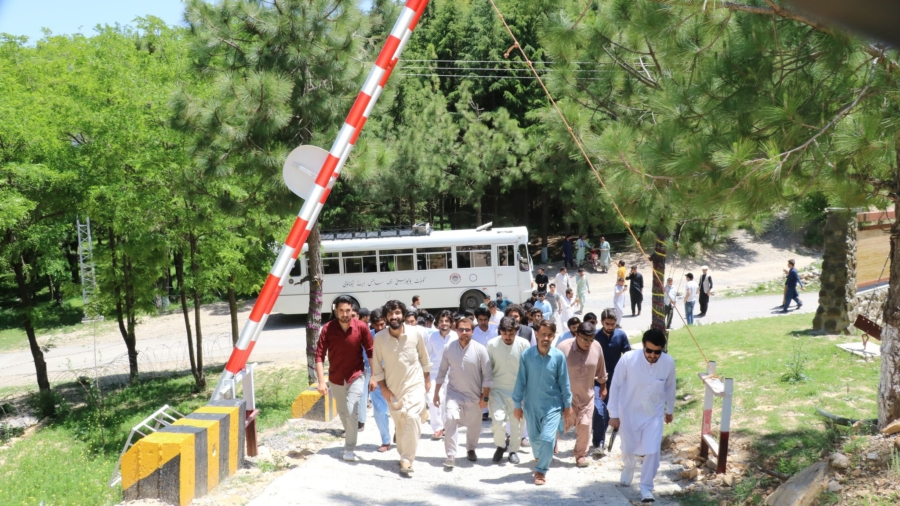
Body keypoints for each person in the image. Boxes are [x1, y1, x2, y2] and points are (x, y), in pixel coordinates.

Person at [608, 328, 676, 503]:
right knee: (628, 447)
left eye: (657, 352)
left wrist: (670, 411)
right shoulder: (628, 360)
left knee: (652, 450)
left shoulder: (668, 363)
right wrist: (613, 414)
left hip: (653, 414)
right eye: (649, 351)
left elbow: (670, 388)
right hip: (628, 411)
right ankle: (629, 466)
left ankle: (646, 487)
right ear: (643, 347)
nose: (653, 355)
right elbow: (615, 386)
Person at [371, 299, 432, 475]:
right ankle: (403, 447)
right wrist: (383, 388)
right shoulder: (380, 338)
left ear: (403, 315)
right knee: (401, 422)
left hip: (415, 385)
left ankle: (407, 459)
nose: (394, 316)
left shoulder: (415, 333)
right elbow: (377, 367)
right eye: (390, 314)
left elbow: (424, 359)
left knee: (412, 418)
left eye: (397, 313)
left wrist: (427, 380)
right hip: (393, 388)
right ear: (386, 317)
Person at [513, 320, 574, 485]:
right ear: (537, 334)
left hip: (552, 406)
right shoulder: (527, 355)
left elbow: (564, 382)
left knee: (547, 438)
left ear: (553, 337)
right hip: (531, 406)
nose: (546, 338)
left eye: (549, 335)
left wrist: (567, 406)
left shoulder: (558, 356)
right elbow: (520, 381)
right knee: (534, 439)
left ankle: (540, 471)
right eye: (543, 334)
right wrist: (517, 405)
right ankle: (540, 458)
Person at [314, 296, 373, 462]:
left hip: (357, 375)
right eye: (341, 310)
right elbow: (319, 355)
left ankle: (349, 448)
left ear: (352, 310)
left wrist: (375, 376)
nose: (345, 314)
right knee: (342, 411)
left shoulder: (361, 327)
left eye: (348, 310)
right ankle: (351, 434)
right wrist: (321, 381)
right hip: (336, 377)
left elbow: (371, 352)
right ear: (335, 311)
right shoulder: (327, 329)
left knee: (351, 409)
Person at [434, 316, 492, 468]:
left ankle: (471, 449)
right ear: (456, 330)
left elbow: (487, 376)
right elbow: (441, 371)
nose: (464, 332)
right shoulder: (449, 348)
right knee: (451, 419)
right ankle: (451, 454)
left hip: (474, 395)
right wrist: (436, 393)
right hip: (454, 393)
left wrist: (484, 397)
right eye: (461, 329)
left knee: (474, 426)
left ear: (473, 331)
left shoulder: (480, 350)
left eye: (468, 329)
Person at [557, 322, 607, 467]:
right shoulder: (562, 348)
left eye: (591, 339)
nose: (588, 343)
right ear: (576, 335)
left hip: (587, 396)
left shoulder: (596, 347)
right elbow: (552, 373)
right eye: (584, 339)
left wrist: (603, 386)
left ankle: (580, 455)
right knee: (559, 426)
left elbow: (601, 370)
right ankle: (550, 445)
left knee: (585, 426)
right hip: (566, 398)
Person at [486, 317, 530, 465]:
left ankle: (513, 451)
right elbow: (487, 370)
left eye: (511, 333)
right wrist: (483, 393)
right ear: (500, 332)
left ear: (516, 331)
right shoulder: (492, 344)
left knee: (516, 424)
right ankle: (501, 445)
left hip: (518, 392)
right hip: (497, 390)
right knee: (498, 422)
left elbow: (529, 369)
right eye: (504, 333)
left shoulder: (524, 344)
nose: (508, 337)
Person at [592, 308, 632, 455]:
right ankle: (599, 443)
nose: (610, 327)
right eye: (607, 323)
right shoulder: (595, 336)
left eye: (613, 324)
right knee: (600, 410)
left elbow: (628, 356)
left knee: (611, 410)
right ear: (602, 322)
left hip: (617, 381)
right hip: (597, 380)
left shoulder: (621, 335)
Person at [426, 310, 458, 440]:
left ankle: (446, 427)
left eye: (446, 321)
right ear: (437, 323)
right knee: (432, 399)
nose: (444, 324)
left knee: (446, 401)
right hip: (434, 374)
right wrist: (425, 377)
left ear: (451, 322)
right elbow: (427, 356)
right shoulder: (432, 337)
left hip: (451, 374)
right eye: (441, 321)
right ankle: (437, 428)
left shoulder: (456, 336)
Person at [367, 309, 392, 452]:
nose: (379, 328)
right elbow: (367, 359)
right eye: (376, 325)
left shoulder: (394, 334)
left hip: (394, 378)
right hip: (376, 379)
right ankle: (386, 440)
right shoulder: (369, 337)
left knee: (399, 411)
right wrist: (372, 377)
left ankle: (399, 434)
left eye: (382, 324)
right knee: (379, 411)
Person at [356, 307, 371, 431]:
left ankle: (361, 421)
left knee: (362, 394)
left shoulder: (365, 330)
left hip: (364, 367)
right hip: (349, 368)